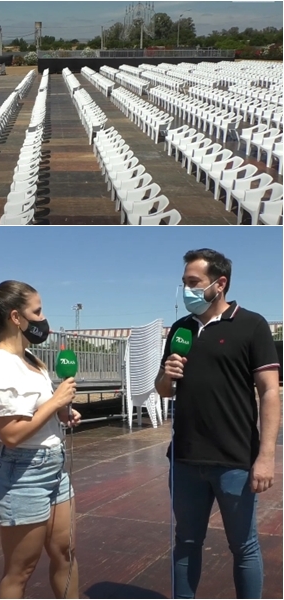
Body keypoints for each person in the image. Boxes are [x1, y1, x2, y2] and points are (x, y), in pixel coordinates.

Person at [156, 249, 279, 600]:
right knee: (186, 542)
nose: (186, 290)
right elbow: (164, 389)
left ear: (219, 283)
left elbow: (270, 393)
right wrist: (167, 375)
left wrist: (266, 456)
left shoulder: (251, 325)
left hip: (235, 461)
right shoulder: (180, 329)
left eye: (193, 283)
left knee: (243, 547)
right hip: (185, 459)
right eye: (184, 283)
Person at [0, 280, 81, 599]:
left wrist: (62, 414)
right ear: (17, 317)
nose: (44, 317)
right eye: (38, 310)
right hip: (21, 475)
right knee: (21, 570)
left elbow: (38, 414)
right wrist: (55, 403)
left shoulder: (33, 360)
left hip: (55, 469)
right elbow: (12, 434)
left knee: (66, 553)